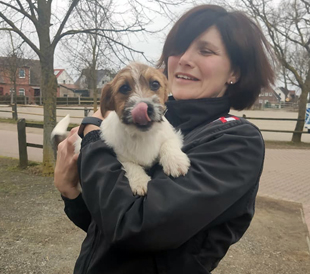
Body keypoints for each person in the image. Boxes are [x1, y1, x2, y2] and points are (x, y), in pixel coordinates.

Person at [54, 4, 275, 274]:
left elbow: (134, 228)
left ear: (235, 72)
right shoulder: (153, 122)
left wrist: (92, 134)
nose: (183, 59)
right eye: (178, 48)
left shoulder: (237, 141)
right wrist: (72, 193)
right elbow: (104, 223)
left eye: (205, 50)